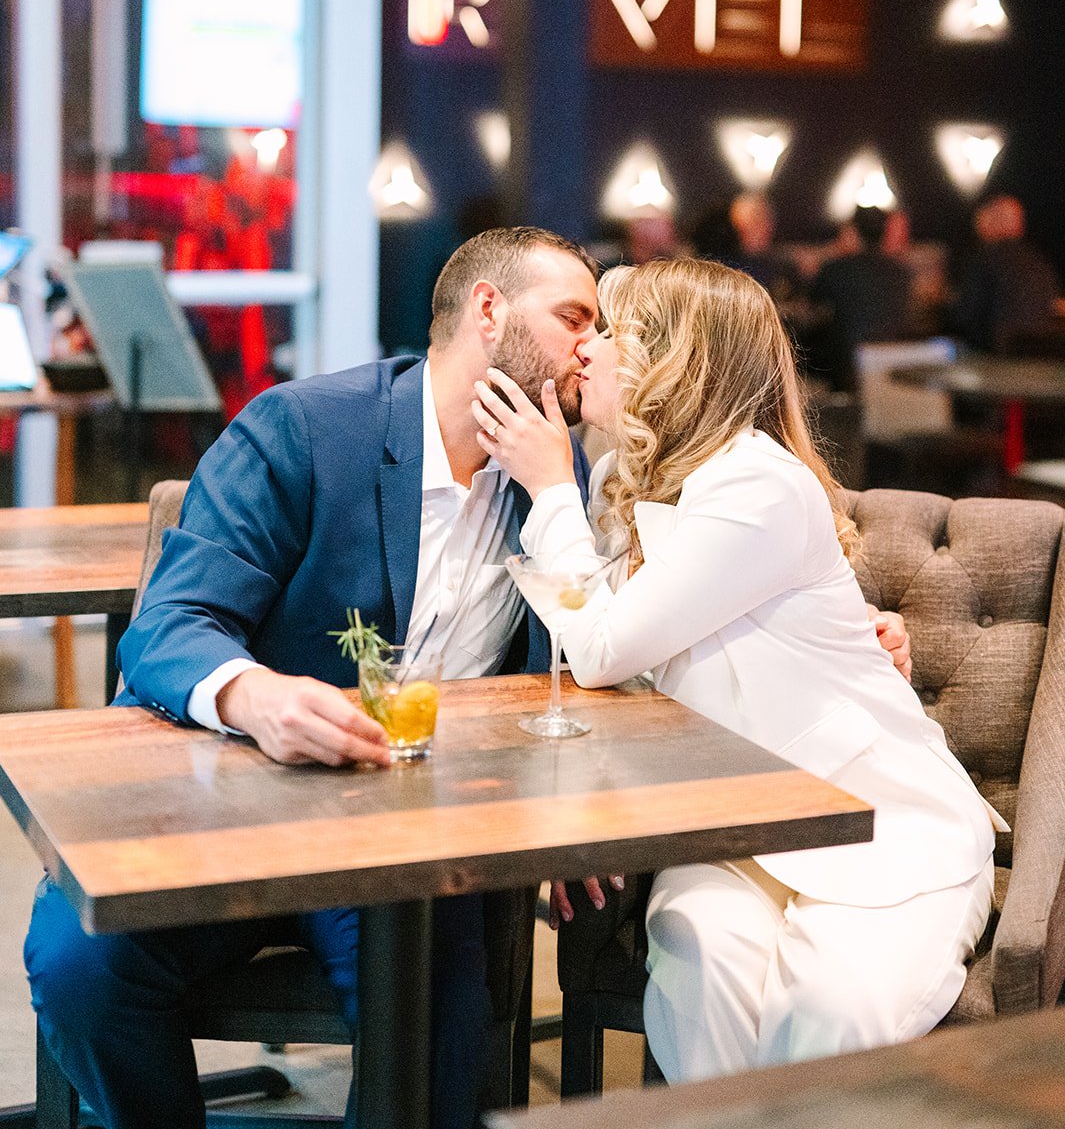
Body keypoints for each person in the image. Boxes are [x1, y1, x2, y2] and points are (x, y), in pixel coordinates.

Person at [24, 225, 601, 1129]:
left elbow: (582, 665)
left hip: (404, 839)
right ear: (488, 311)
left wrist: (571, 817)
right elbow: (171, 623)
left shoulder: (555, 482)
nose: (589, 347)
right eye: (573, 317)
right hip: (231, 802)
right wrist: (253, 696)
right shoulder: (305, 428)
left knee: (437, 1027)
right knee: (78, 963)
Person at [472, 258, 998, 1084]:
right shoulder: (620, 479)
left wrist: (546, 489)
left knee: (829, 1011)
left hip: (869, 818)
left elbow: (602, 647)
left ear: (672, 362)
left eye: (611, 333)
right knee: (701, 970)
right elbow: (620, 670)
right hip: (727, 821)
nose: (587, 352)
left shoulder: (758, 484)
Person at [812, 204, 916, 388]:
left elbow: (814, 305)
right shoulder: (902, 272)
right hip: (895, 365)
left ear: (854, 232)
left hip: (847, 366)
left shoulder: (835, 268)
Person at [953, 194, 1060, 353]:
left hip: (1000, 354)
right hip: (1041, 354)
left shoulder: (984, 257)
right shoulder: (1038, 261)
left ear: (988, 221)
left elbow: (969, 315)